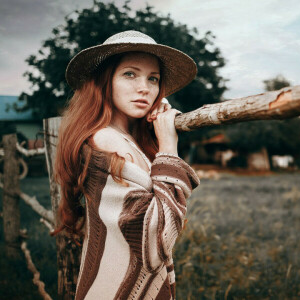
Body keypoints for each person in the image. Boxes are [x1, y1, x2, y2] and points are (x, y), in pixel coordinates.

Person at [53, 30, 200, 300]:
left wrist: (160, 116)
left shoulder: (126, 139)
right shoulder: (107, 141)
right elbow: (155, 242)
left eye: (152, 79)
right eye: (129, 74)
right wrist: (168, 146)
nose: (144, 87)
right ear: (105, 81)